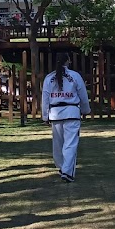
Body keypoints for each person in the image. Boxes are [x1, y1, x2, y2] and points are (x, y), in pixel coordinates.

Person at [41, 52, 91, 182]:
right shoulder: (75, 76)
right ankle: (67, 171)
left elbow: (45, 99)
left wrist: (45, 116)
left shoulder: (49, 78)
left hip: (55, 113)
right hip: (71, 112)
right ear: (68, 61)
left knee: (58, 144)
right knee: (70, 144)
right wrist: (86, 110)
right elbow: (83, 95)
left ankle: (63, 167)